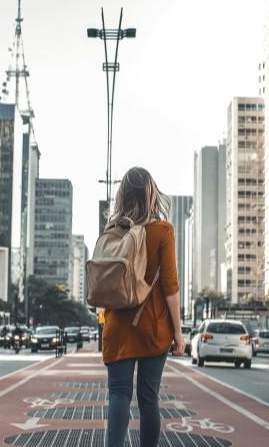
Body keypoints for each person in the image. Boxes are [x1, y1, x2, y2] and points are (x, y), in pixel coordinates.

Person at [102, 167, 183, 447]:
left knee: (118, 394)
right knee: (149, 399)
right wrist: (179, 333)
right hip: (152, 328)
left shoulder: (113, 232)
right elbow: (170, 286)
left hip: (117, 327)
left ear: (122, 196)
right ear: (151, 194)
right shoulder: (163, 231)